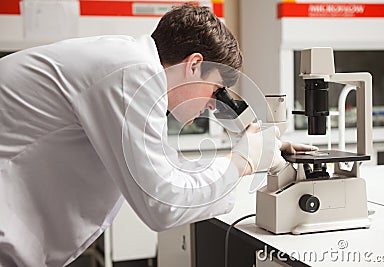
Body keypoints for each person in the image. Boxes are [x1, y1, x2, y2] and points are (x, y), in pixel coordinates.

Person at [0, 4, 316, 266]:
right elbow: (162, 205)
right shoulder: (134, 74)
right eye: (217, 89)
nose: (211, 105)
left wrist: (261, 148)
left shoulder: (130, 63)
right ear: (194, 64)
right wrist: (245, 159)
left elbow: (167, 171)